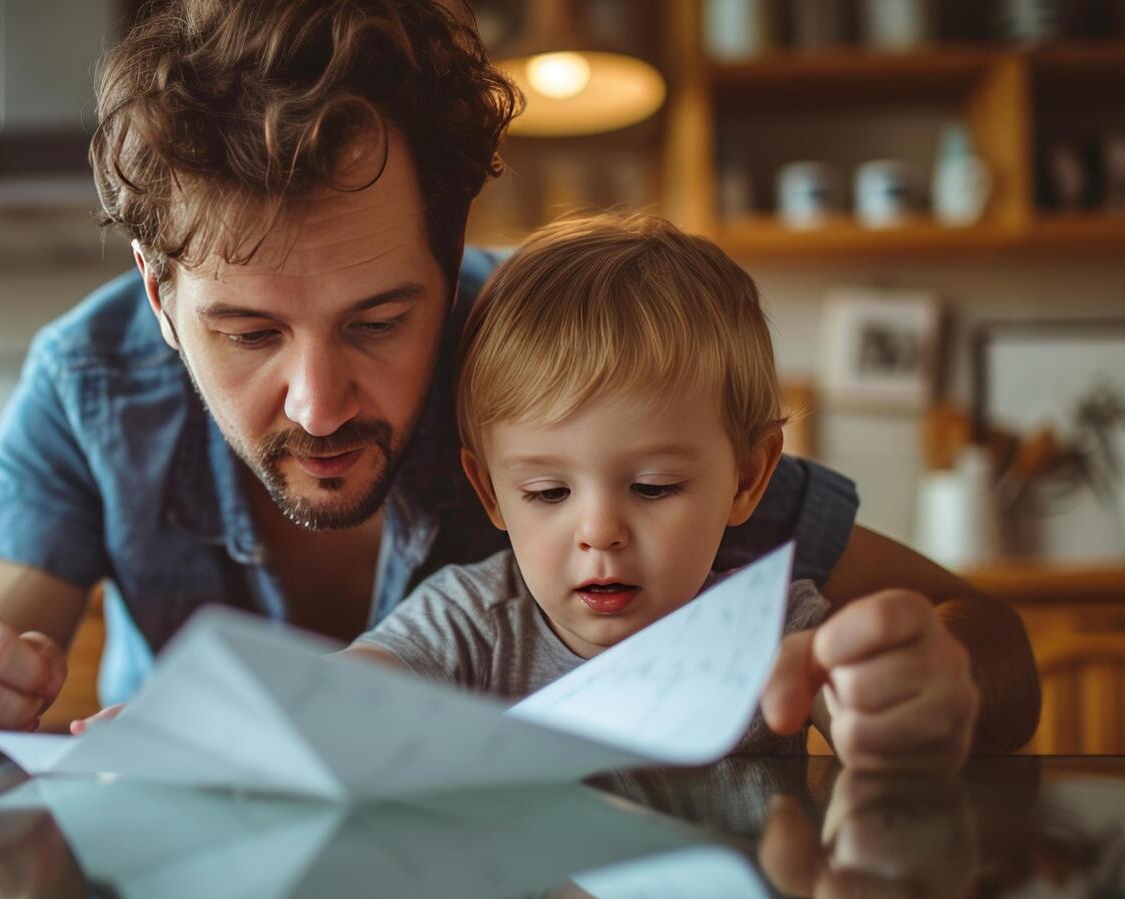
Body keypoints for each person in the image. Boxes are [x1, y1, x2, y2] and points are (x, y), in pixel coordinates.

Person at [0, 0, 1038, 760]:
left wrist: (947, 685)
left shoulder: (560, 362)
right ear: (161, 298)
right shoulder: (92, 378)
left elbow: (991, 642)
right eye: (251, 333)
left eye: (379, 318)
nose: (319, 405)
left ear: (453, 261)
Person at [339, 213, 972, 769]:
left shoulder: (774, 628)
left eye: (653, 486)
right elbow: (349, 696)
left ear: (749, 479)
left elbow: (856, 705)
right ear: (491, 492)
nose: (599, 531)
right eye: (548, 492)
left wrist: (881, 704)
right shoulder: (467, 622)